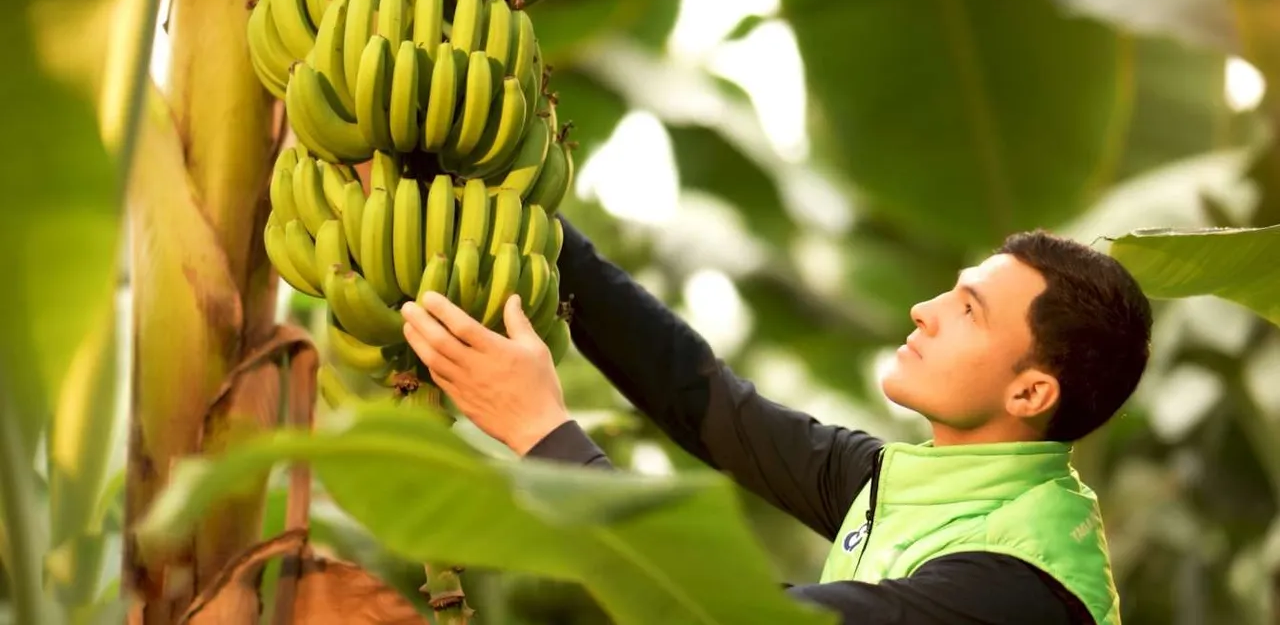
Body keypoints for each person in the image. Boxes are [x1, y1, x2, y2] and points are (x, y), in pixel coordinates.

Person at [399, 215, 1153, 625]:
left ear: (1030, 394)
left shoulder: (1018, 589)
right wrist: (536, 227)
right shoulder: (924, 484)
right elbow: (713, 408)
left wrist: (544, 434)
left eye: (967, 311)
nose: (923, 312)